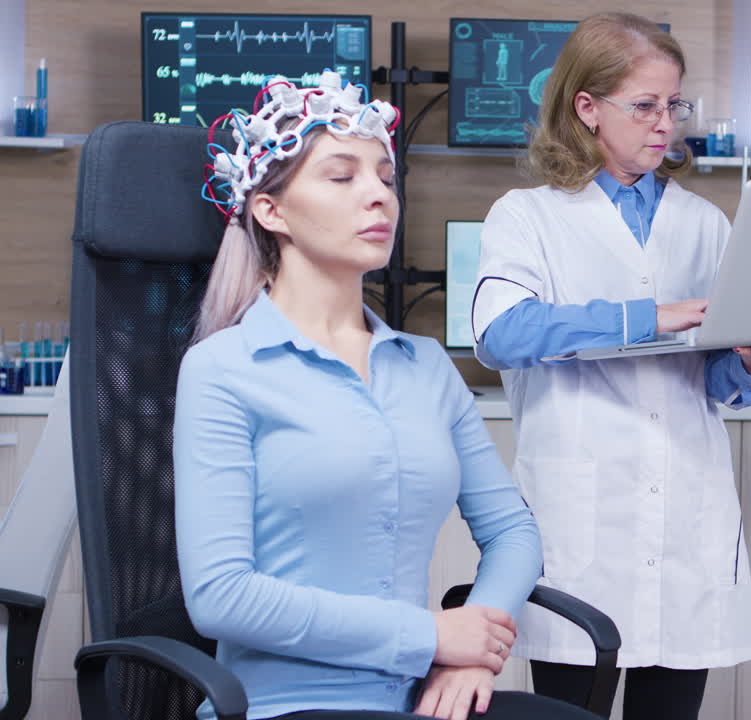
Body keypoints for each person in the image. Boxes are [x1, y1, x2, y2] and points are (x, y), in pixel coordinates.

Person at [471, 13, 751, 719]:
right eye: (645, 106)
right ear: (587, 108)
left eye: (674, 105)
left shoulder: (704, 222)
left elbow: (715, 382)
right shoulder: (528, 216)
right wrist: (648, 315)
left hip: (685, 516)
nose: (666, 124)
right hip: (582, 524)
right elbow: (501, 334)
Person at [174, 73, 544, 720]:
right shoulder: (223, 370)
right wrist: (430, 636)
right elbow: (221, 596)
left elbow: (513, 532)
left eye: (385, 177)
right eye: (342, 177)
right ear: (271, 210)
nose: (378, 196)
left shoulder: (425, 367)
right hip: (282, 708)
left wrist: (472, 648)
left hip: (423, 699)